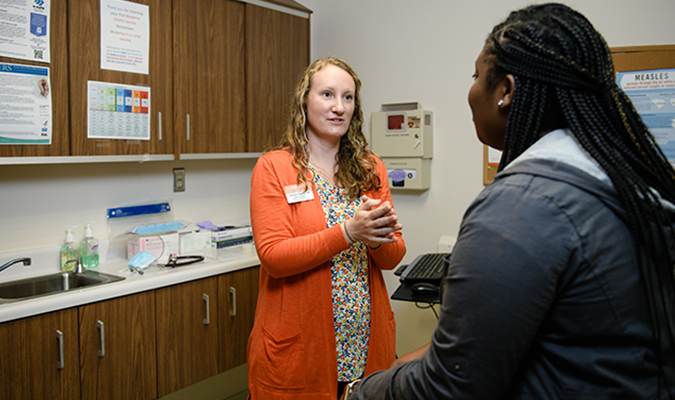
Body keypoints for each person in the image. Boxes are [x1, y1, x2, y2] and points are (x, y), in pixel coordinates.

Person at [342, 3, 675, 399]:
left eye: (476, 76)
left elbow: (451, 388)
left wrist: (364, 392)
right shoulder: (622, 179)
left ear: (505, 91)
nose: (471, 91)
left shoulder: (522, 205)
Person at [247, 56, 407, 400]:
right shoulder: (274, 168)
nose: (339, 107)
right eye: (327, 95)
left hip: (364, 344)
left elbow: (393, 256)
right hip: (300, 347)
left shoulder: (369, 168)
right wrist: (349, 232)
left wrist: (377, 237)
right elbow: (274, 257)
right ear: (305, 100)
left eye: (348, 98)